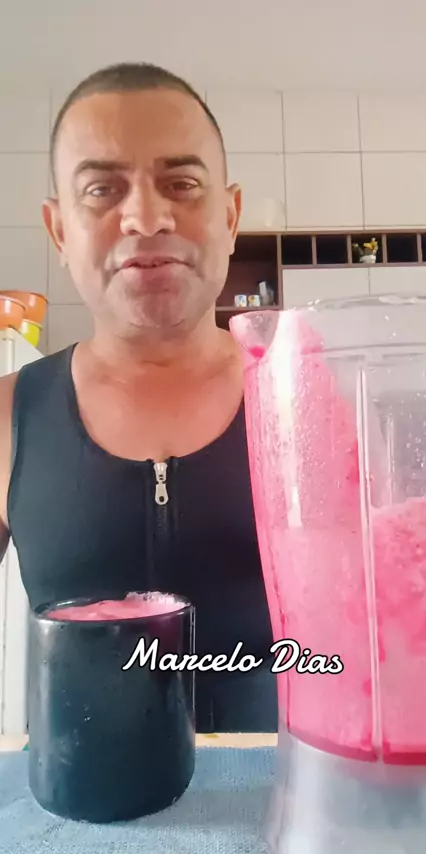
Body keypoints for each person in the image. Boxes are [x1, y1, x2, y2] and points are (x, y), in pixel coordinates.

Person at [0, 62, 278, 733]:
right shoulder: (8, 416)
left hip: (288, 791)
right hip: (73, 795)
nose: (146, 218)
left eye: (181, 184)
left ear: (229, 216)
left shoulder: (315, 402)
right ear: (59, 231)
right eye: (102, 189)